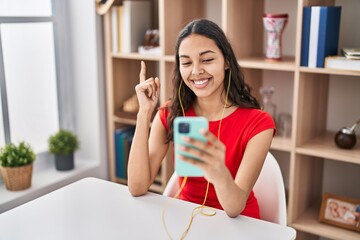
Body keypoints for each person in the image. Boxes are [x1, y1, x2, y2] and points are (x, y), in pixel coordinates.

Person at [127, 19, 275, 219]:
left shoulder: (258, 123)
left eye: (206, 60)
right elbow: (137, 186)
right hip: (188, 220)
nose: (196, 71)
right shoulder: (170, 113)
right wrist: (144, 113)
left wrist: (218, 172)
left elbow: (234, 207)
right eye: (186, 62)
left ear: (226, 61)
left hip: (240, 225)